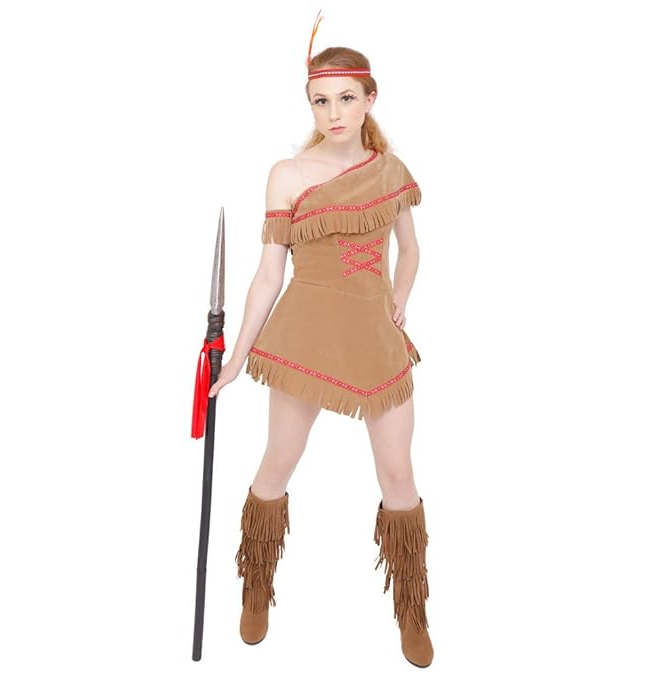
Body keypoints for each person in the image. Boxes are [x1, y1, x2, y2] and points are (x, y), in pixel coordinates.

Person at [207, 13, 434, 669]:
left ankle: (412, 605)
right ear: (310, 104)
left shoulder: (389, 169)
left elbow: (411, 250)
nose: (333, 113)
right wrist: (238, 356)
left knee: (398, 473)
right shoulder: (287, 174)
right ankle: (255, 581)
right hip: (304, 335)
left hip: (373, 334)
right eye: (320, 100)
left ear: (369, 98)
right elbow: (267, 276)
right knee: (279, 459)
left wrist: (398, 300)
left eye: (345, 98)